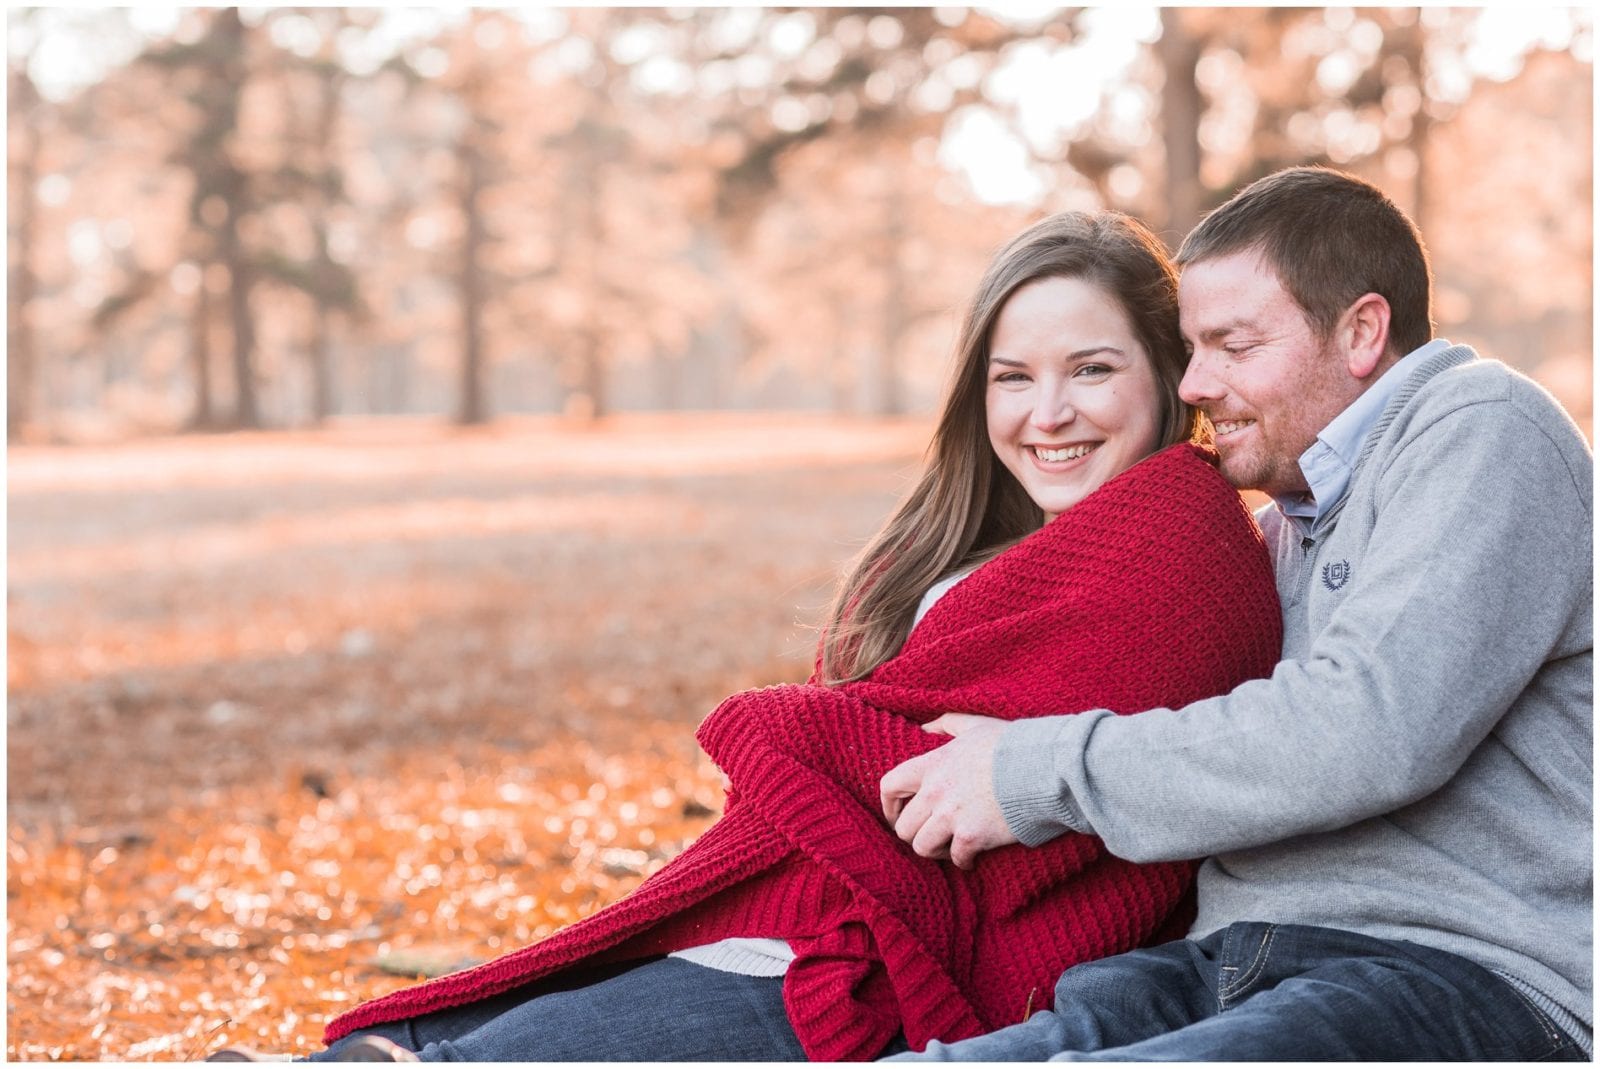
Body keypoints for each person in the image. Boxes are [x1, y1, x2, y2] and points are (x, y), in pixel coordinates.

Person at [209, 212, 1283, 1063]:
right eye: (1013, 377)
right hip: (793, 904)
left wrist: (825, 743)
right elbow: (879, 737)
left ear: (1167, 373)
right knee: (408, 1038)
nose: (1046, 413)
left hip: (898, 955)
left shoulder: (1176, 537)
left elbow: (961, 773)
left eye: (1090, 370)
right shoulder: (960, 542)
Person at [879, 166, 1593, 1061]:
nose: (1194, 385)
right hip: (1222, 959)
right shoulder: (1281, 522)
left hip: (1455, 973)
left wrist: (1035, 769)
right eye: (1192, 347)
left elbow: (1365, 728)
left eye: (1232, 346)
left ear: (1363, 331)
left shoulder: (1482, 428)